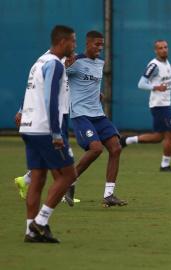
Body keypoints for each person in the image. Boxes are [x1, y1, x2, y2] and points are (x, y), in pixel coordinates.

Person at [19, 25, 77, 243]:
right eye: (73, 41)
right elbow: (50, 99)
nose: (75, 45)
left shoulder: (38, 63)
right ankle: (40, 222)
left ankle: (30, 230)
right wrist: (56, 132)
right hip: (44, 129)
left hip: (28, 126)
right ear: (62, 42)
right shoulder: (54, 64)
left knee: (38, 178)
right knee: (68, 175)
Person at [65, 31, 127, 207]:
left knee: (116, 148)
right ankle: (69, 182)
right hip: (81, 115)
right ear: (87, 44)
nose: (100, 48)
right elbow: (60, 79)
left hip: (98, 115)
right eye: (96, 44)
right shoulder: (75, 62)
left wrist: (97, 93)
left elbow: (90, 83)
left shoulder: (100, 63)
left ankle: (109, 195)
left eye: (102, 45)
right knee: (96, 149)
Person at [14, 56, 81, 205]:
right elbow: (34, 90)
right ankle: (63, 194)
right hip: (54, 117)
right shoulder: (54, 65)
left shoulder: (63, 68)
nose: (74, 57)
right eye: (71, 54)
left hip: (62, 114)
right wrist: (21, 110)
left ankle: (25, 180)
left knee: (50, 156)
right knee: (61, 157)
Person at [120, 40, 171, 172]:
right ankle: (165, 165)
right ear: (155, 50)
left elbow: (166, 82)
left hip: (165, 104)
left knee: (158, 137)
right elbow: (141, 84)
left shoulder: (167, 63)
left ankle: (126, 140)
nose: (164, 49)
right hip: (159, 105)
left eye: (165, 47)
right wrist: (155, 87)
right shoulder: (154, 65)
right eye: (160, 48)